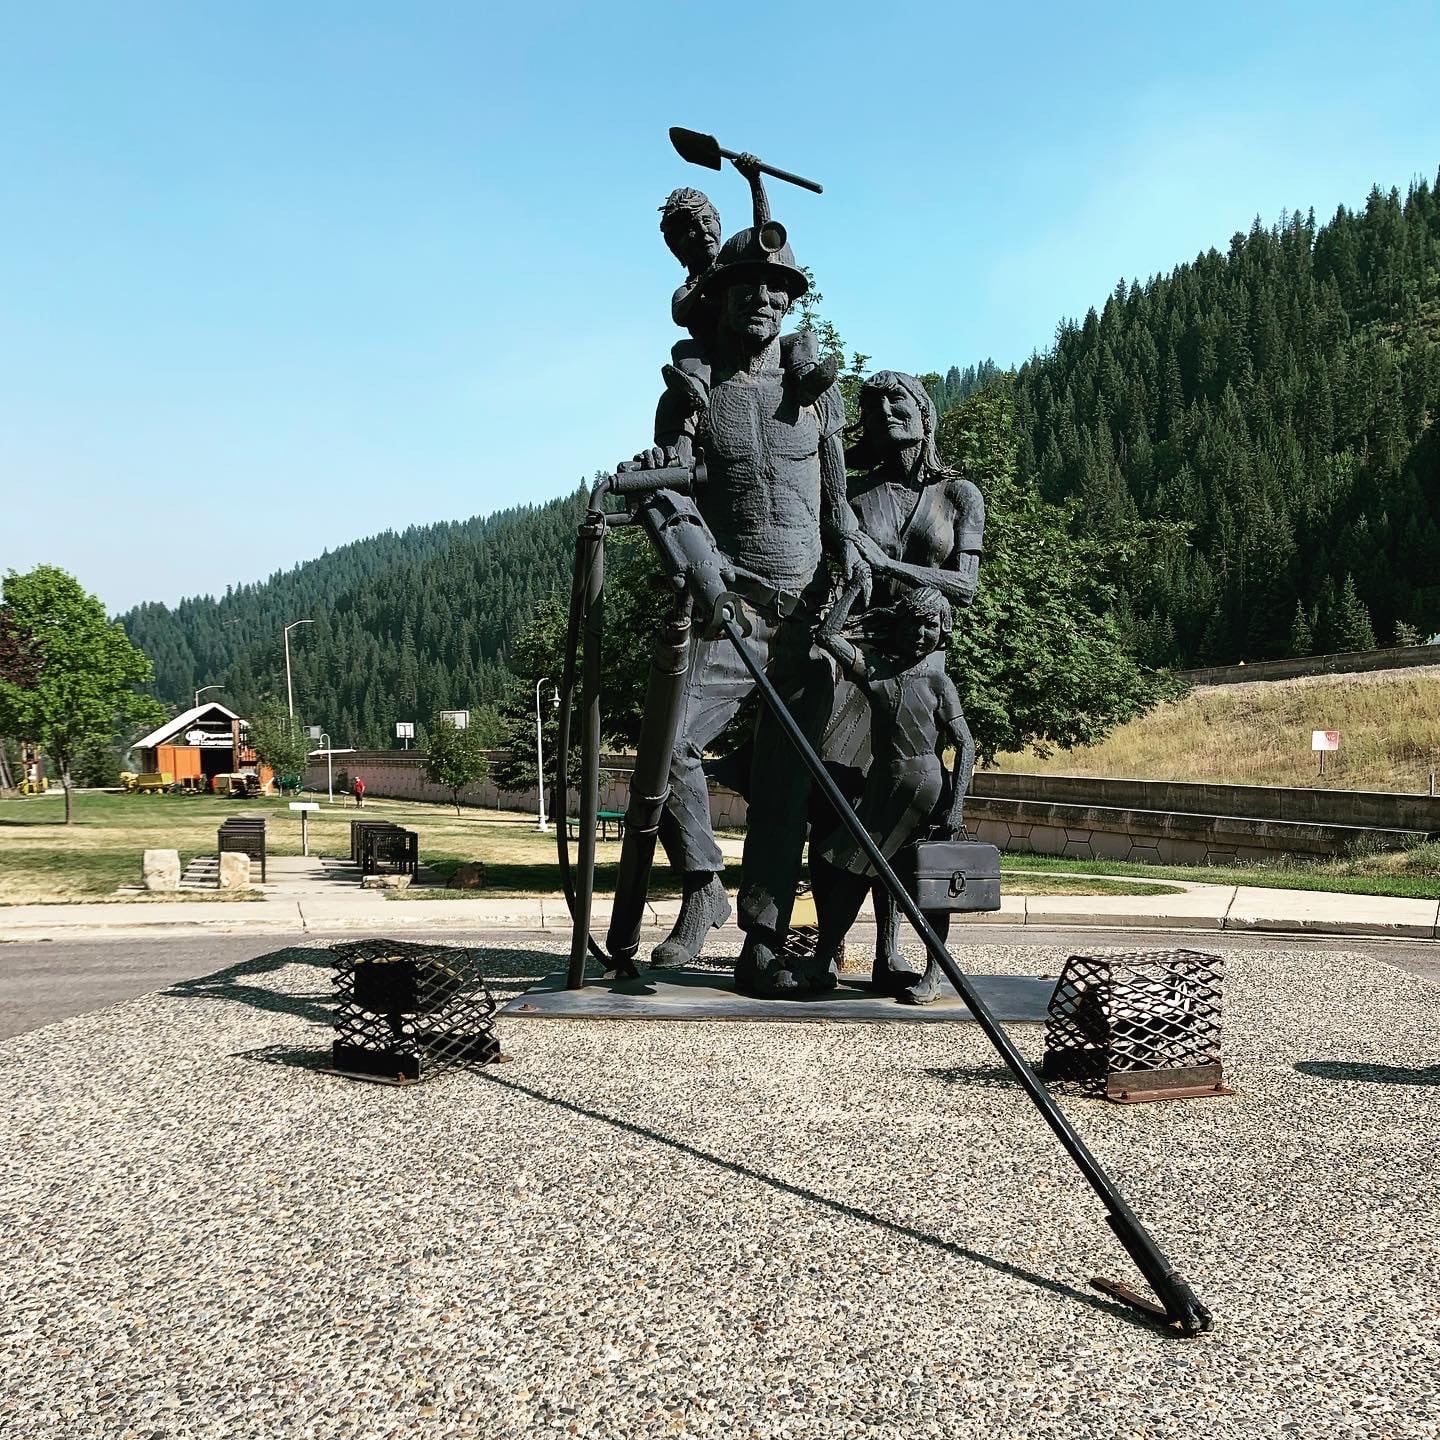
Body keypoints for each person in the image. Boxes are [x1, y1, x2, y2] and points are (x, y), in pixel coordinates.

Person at [629, 221, 870, 997]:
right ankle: (703, 885)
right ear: (721, 297)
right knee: (668, 748)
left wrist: (850, 556)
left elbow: (837, 502)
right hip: (731, 611)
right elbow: (667, 491)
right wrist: (686, 531)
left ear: (791, 303)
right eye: (748, 288)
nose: (763, 299)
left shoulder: (815, 391)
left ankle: (763, 944)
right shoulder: (693, 391)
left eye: (778, 289)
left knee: (786, 787)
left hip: (807, 618)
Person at [824, 369, 987, 990]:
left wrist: (890, 566)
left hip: (922, 658)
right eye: (873, 406)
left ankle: (895, 952)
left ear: (925, 413)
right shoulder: (854, 494)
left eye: (898, 401)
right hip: (858, 658)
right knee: (845, 812)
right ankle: (832, 948)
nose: (886, 412)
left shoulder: (958, 495)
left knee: (906, 822)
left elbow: (965, 587)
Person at [810, 585, 975, 1004]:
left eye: (930, 625)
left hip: (924, 793)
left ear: (943, 630)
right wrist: (853, 588)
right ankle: (824, 958)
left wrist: (956, 807)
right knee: (856, 872)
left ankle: (933, 974)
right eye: (912, 624)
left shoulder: (938, 681)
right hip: (883, 788)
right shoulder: (878, 673)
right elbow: (828, 636)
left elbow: (966, 744)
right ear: (897, 627)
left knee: (926, 884)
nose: (920, 634)